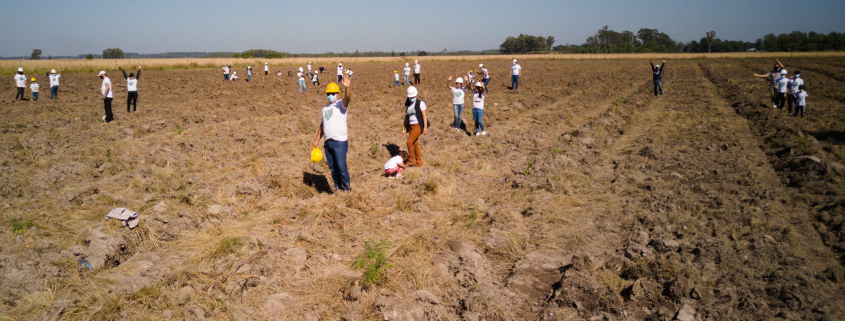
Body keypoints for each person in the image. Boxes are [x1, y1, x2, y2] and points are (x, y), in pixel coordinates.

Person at [311, 75, 353, 191]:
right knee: (333, 168)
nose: (330, 95)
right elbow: (322, 126)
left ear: (337, 94)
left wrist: (347, 88)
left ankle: (347, 190)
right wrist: (316, 141)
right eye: (328, 94)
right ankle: (338, 188)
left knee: (341, 167)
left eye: (332, 93)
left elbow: (348, 98)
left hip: (339, 142)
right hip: (328, 143)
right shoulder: (325, 109)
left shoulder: (341, 105)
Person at [402, 86, 428, 167]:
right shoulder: (408, 104)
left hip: (418, 126)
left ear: (416, 95)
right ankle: (419, 162)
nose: (411, 98)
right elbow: (406, 117)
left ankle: (410, 161)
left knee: (409, 142)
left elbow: (424, 116)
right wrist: (403, 129)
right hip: (410, 126)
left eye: (412, 97)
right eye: (410, 97)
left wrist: (425, 128)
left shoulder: (421, 103)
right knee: (414, 144)